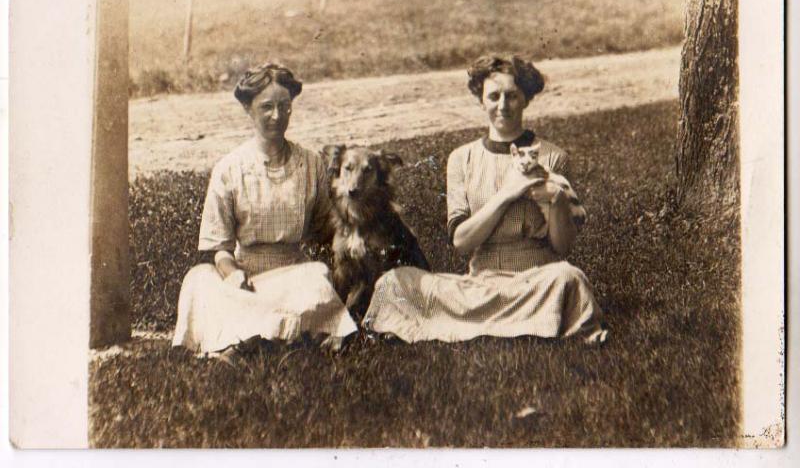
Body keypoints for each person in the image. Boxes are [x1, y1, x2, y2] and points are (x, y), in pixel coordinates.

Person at [363, 55, 607, 343]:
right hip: (478, 286)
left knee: (570, 278)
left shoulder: (552, 157)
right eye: (493, 96)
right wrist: (507, 194)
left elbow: (562, 247)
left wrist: (557, 200)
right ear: (481, 100)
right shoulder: (461, 159)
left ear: (526, 99)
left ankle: (465, 324)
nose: (502, 106)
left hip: (536, 282)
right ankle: (530, 322)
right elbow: (462, 242)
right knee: (394, 282)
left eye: (512, 96)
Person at [172, 63, 357, 357]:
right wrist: (232, 274)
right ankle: (277, 334)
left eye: (284, 106)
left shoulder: (310, 164)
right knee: (198, 279)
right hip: (243, 281)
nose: (277, 116)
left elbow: (326, 229)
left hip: (292, 277)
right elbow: (219, 248)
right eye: (266, 107)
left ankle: (242, 339)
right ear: (248, 109)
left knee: (316, 275)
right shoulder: (229, 169)